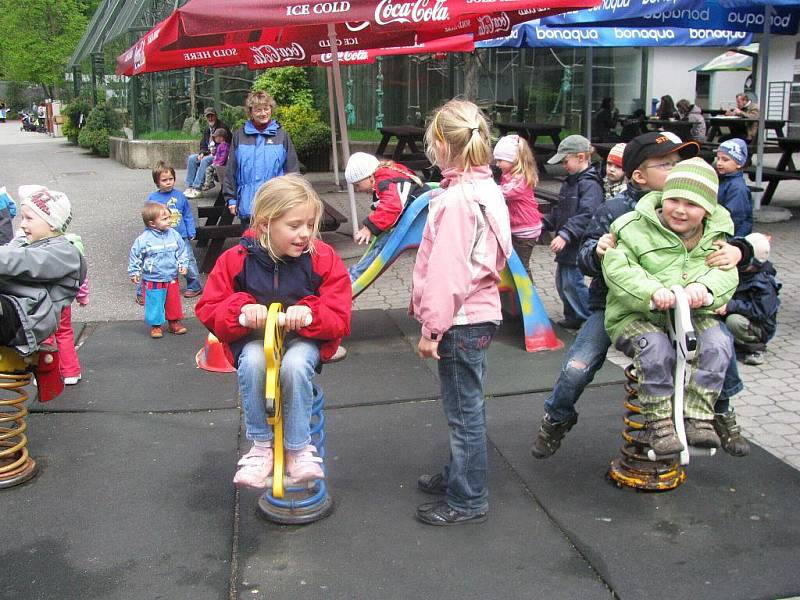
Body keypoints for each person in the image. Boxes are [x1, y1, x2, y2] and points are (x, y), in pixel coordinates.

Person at [531, 131, 701, 459]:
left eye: (678, 163)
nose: (675, 170)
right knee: (576, 368)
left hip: (666, 307)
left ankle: (714, 413)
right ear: (639, 175)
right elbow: (584, 257)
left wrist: (736, 251)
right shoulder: (616, 209)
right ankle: (557, 416)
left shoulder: (690, 210)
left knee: (711, 351)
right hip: (613, 305)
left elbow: (717, 241)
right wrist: (597, 251)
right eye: (665, 165)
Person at [195, 174, 351, 489]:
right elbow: (209, 308)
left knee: (294, 366)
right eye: (294, 226)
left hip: (303, 340)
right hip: (252, 340)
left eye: (310, 224)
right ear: (265, 225)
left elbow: (340, 315)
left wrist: (310, 313)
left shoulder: (322, 259)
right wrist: (240, 310)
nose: (305, 234)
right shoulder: (235, 260)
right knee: (253, 362)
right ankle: (262, 446)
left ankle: (297, 447)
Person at [412, 99, 511, 526]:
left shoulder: (456, 202)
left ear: (439, 143)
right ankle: (459, 473)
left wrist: (431, 329)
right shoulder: (486, 190)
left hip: (460, 320)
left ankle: (468, 498)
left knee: (463, 413)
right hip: (478, 314)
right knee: (467, 406)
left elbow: (447, 274)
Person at [602, 157, 739, 455]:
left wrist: (705, 289)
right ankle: (659, 422)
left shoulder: (716, 237)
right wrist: (652, 292)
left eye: (691, 204)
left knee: (718, 343)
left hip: (691, 313)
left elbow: (726, 272)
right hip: (639, 313)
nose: (679, 209)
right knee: (655, 348)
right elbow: (618, 268)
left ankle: (699, 416)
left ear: (707, 210)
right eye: (673, 199)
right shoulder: (634, 227)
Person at [0, 186, 85, 357]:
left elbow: (24, 261)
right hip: (12, 307)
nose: (22, 224)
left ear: (52, 223)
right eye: (22, 217)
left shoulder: (65, 253)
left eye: (29, 218)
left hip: (26, 317)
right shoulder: (24, 242)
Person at [543, 134, 603, 330]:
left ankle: (588, 318)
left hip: (577, 243)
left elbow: (586, 214)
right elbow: (561, 209)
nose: (563, 165)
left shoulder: (590, 184)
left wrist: (565, 234)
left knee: (573, 283)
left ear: (580, 157)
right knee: (562, 282)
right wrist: (544, 222)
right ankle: (573, 315)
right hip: (568, 244)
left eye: (565, 160)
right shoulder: (570, 182)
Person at [344, 152, 430, 283]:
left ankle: (354, 277)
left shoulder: (385, 181)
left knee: (384, 246)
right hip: (418, 214)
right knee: (382, 243)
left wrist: (368, 228)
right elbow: (387, 203)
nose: (357, 190)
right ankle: (354, 273)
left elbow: (391, 207)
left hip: (420, 218)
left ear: (369, 177)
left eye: (357, 185)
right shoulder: (389, 174)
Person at [223, 91, 299, 225]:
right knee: (250, 244)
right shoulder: (239, 136)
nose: (263, 113)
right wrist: (231, 199)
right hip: (248, 205)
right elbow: (231, 170)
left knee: (275, 244)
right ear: (251, 112)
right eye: (258, 110)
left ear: (271, 109)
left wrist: (293, 199)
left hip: (276, 205)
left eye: (266, 108)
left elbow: (292, 170)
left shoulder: (282, 135)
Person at [716, 232, 780, 366]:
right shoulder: (738, 272)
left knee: (734, 321)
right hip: (737, 313)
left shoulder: (765, 283)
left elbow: (760, 313)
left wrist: (730, 306)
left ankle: (755, 348)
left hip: (758, 326)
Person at [128, 203, 189, 339]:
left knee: (173, 301)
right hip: (153, 277)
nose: (169, 221)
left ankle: (174, 322)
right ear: (152, 224)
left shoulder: (174, 235)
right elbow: (135, 255)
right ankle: (156, 326)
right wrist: (134, 271)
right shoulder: (144, 239)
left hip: (171, 276)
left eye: (169, 217)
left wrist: (183, 264)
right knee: (154, 301)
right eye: (165, 219)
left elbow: (182, 250)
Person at [147, 161, 202, 299]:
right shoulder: (153, 199)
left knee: (188, 260)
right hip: (161, 237)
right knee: (164, 262)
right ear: (157, 182)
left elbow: (187, 214)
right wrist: (148, 233)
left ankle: (194, 285)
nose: (168, 182)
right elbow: (149, 217)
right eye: (164, 180)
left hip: (181, 236)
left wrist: (191, 230)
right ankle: (166, 286)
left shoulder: (180, 196)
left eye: (171, 179)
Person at [493, 134, 542, 278]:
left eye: (500, 160)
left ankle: (529, 296)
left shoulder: (521, 179)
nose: (497, 164)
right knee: (515, 266)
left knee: (521, 267)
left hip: (525, 231)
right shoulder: (510, 176)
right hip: (517, 228)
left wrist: (485, 188)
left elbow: (505, 192)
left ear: (513, 160)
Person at [56, 233, 89, 385]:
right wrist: (82, 296)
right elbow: (81, 276)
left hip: (42, 302)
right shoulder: (72, 245)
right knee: (64, 333)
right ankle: (71, 372)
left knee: (45, 337)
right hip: (63, 300)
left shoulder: (33, 246)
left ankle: (48, 373)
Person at [184, 107, 229, 199]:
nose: (210, 118)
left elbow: (224, 146)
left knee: (206, 160)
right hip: (208, 153)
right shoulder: (207, 129)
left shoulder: (222, 128)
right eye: (208, 116)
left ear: (215, 116)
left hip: (219, 156)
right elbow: (203, 144)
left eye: (212, 116)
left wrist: (208, 154)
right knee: (192, 158)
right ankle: (190, 186)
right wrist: (202, 153)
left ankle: (197, 188)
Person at [715, 138, 753, 238]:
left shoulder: (737, 188)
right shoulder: (723, 179)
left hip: (732, 234)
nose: (719, 163)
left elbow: (734, 217)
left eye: (725, 159)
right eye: (718, 158)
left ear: (739, 163)